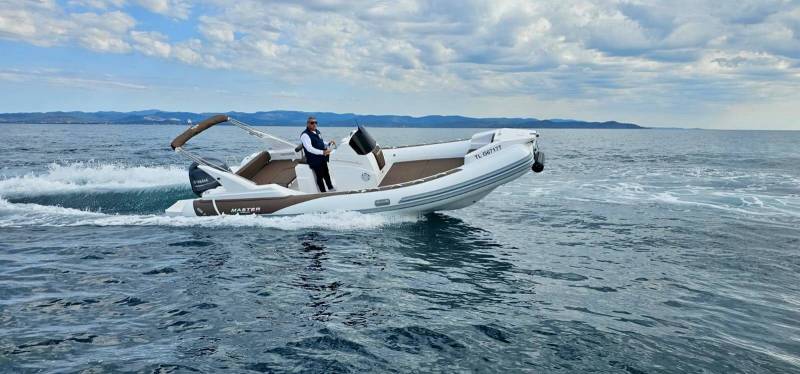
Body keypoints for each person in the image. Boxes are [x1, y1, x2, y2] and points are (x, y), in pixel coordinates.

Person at [300, 116, 336, 192]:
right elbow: (309, 148)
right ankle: (323, 192)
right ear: (307, 124)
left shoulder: (317, 131)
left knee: (326, 173)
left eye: (316, 122)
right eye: (312, 123)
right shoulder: (305, 135)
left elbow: (321, 142)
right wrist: (322, 152)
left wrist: (328, 143)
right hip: (314, 159)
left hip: (322, 157)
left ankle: (330, 188)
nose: (314, 124)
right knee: (320, 176)